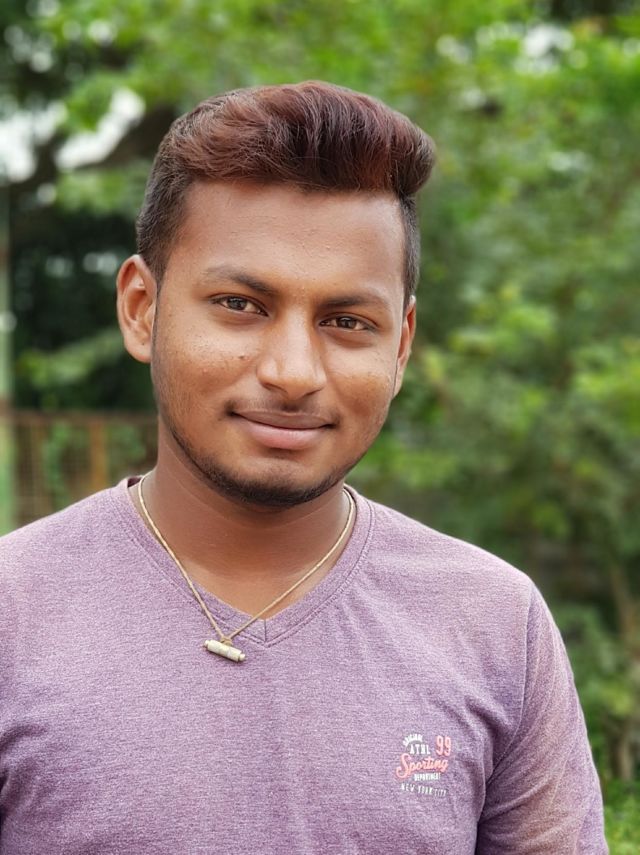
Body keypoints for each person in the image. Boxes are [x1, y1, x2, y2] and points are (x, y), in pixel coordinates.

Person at [0, 82, 607, 854]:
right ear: (142, 308)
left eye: (346, 321)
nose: (293, 372)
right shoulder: (15, 612)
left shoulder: (492, 623)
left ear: (401, 345)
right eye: (240, 305)